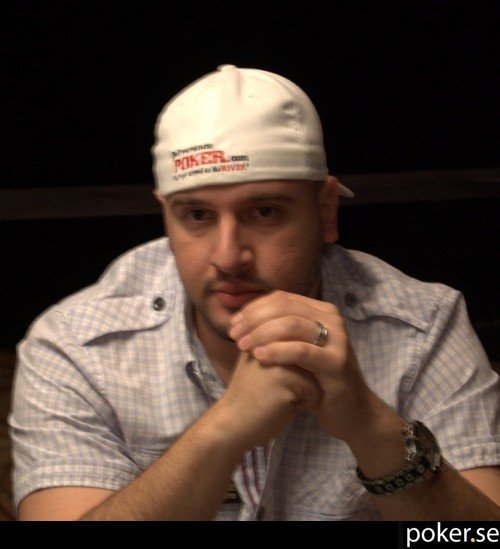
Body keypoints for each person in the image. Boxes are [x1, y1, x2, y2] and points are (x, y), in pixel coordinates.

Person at [9, 65, 500, 521]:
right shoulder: (74, 345)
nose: (228, 257)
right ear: (166, 216)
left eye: (265, 212)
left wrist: (371, 426)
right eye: (197, 215)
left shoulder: (423, 328)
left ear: (325, 211)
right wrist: (223, 430)